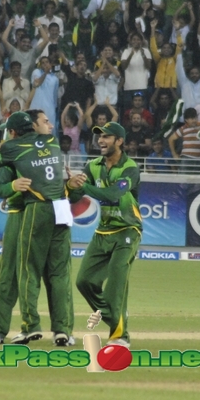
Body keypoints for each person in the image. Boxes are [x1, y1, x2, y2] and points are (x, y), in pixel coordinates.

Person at [0, 110, 77, 345]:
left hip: (40, 212)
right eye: (45, 122)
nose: (49, 125)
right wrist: (14, 186)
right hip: (20, 214)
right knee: (10, 276)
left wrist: (72, 186)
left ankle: (55, 329)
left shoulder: (22, 149)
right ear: (34, 127)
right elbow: (0, 189)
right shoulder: (33, 149)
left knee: (49, 273)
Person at [71, 121, 142, 348]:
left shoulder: (130, 167)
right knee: (84, 281)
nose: (100, 140)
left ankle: (120, 336)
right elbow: (73, 197)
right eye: (99, 137)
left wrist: (83, 188)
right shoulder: (92, 166)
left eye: (106, 137)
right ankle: (115, 316)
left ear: (119, 141)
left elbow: (113, 194)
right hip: (103, 231)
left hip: (127, 230)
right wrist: (71, 186)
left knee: (115, 283)